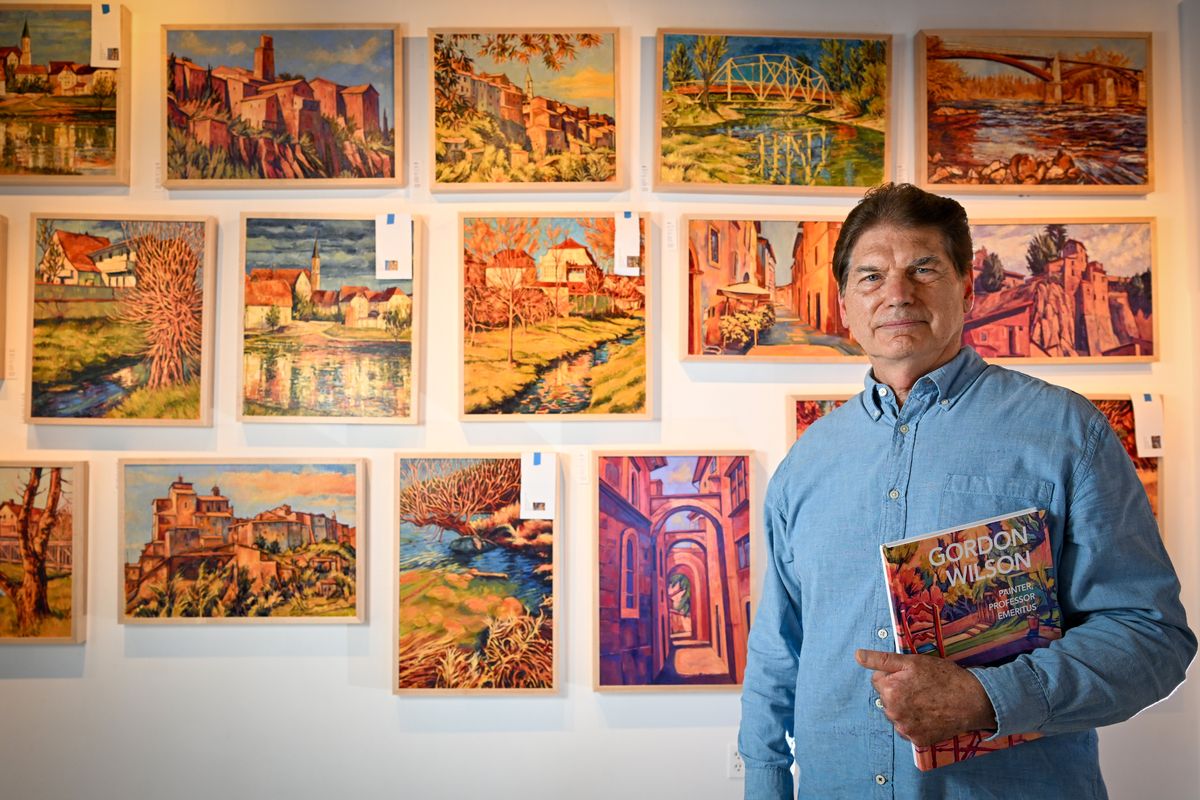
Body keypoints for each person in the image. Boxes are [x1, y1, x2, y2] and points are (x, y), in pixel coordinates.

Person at [737, 183, 1195, 799]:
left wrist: (989, 697)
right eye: (871, 276)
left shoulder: (1067, 433)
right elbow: (777, 652)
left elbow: (1150, 635)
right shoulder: (806, 463)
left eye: (922, 269)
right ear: (846, 304)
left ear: (967, 289)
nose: (897, 293)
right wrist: (763, 783)